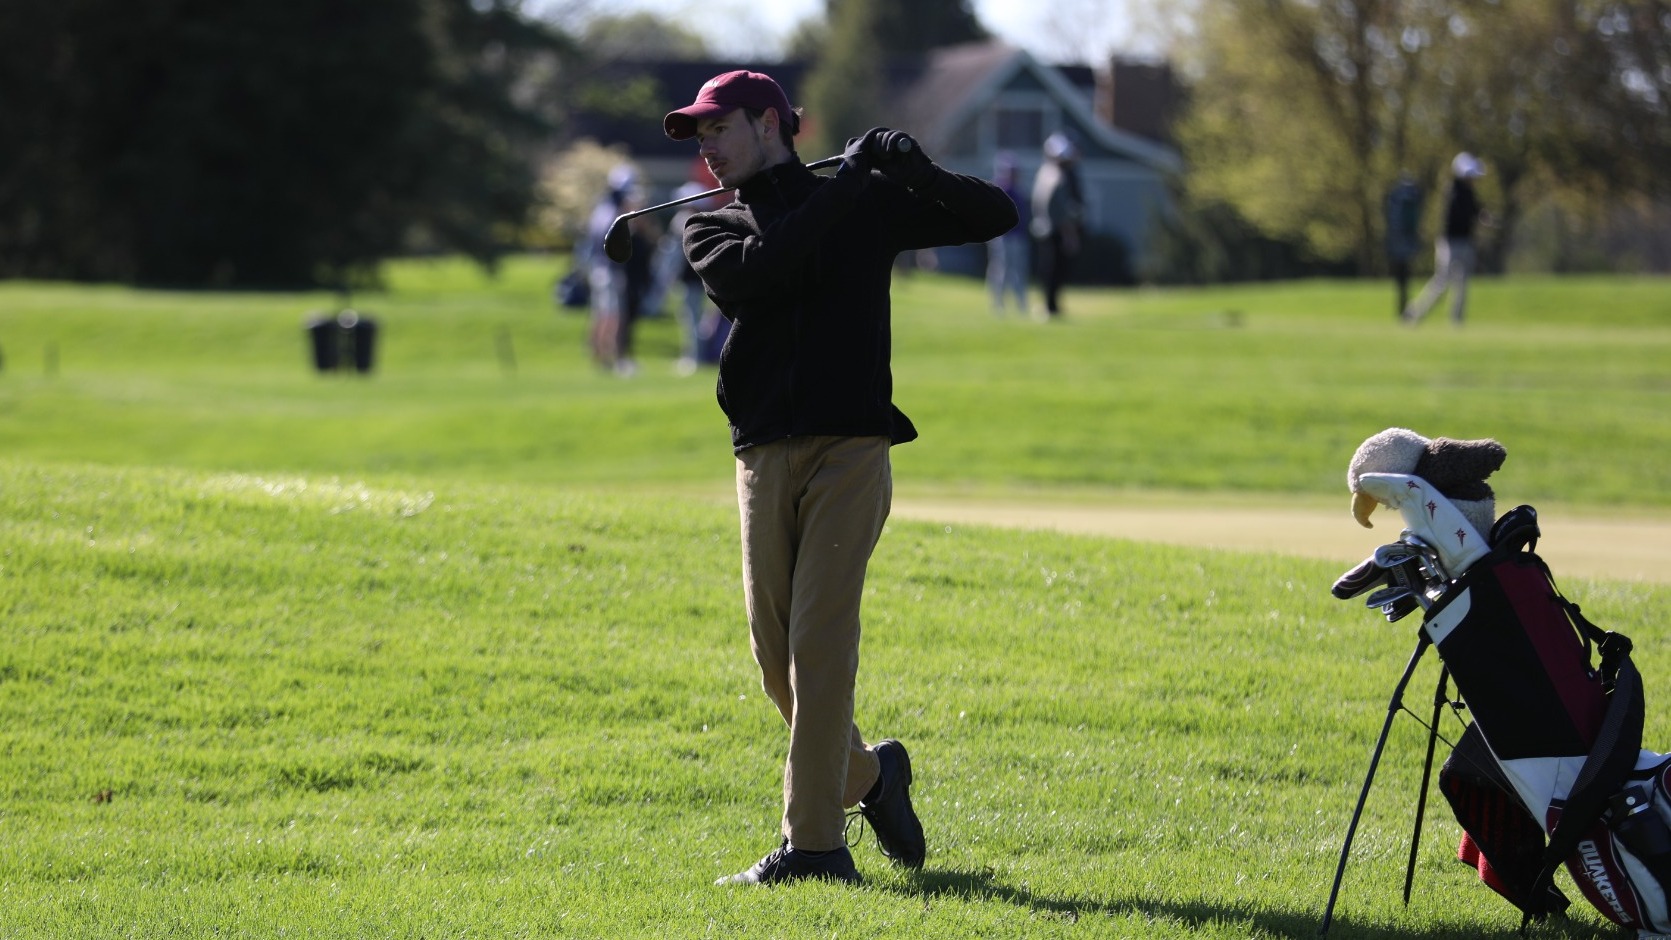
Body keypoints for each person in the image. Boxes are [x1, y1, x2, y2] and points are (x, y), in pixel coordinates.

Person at [663, 70, 1018, 886]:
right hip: (760, 453)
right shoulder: (710, 227)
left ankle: (814, 847)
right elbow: (760, 273)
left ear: (768, 123)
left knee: (819, 646)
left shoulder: (858, 202)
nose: (706, 148)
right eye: (699, 136)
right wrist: (850, 184)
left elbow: (993, 215)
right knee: (774, 662)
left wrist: (911, 168)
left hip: (851, 448)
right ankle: (869, 776)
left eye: (717, 129)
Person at [1404, 152, 1489, 326]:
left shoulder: (1468, 192)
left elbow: (1475, 210)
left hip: (1465, 242)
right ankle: (1414, 314)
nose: (1473, 179)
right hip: (1450, 244)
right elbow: (1462, 214)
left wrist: (1482, 215)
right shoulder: (1453, 191)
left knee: (1462, 285)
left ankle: (1456, 321)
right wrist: (1477, 215)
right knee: (1442, 283)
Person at [584, 165, 639, 373]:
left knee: (601, 315)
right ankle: (615, 360)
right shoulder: (615, 211)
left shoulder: (600, 209)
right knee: (615, 316)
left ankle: (599, 357)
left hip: (598, 269)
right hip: (610, 270)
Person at [1030, 132, 1084, 319]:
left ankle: (1051, 305)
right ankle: (1050, 307)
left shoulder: (1045, 172)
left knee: (1052, 270)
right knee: (1053, 270)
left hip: (1046, 230)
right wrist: (1070, 234)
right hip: (1055, 231)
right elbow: (1061, 211)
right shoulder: (1056, 176)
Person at [986, 152, 1030, 315]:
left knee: (1019, 271)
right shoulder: (1000, 189)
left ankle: (1021, 305)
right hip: (1003, 238)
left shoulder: (1019, 190)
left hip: (1018, 238)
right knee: (1001, 270)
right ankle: (998, 304)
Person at [1384, 172, 1422, 319]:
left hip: (1398, 241)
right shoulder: (1409, 198)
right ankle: (1404, 310)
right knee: (1404, 279)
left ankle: (1403, 309)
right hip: (1404, 241)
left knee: (1402, 280)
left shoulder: (1396, 197)